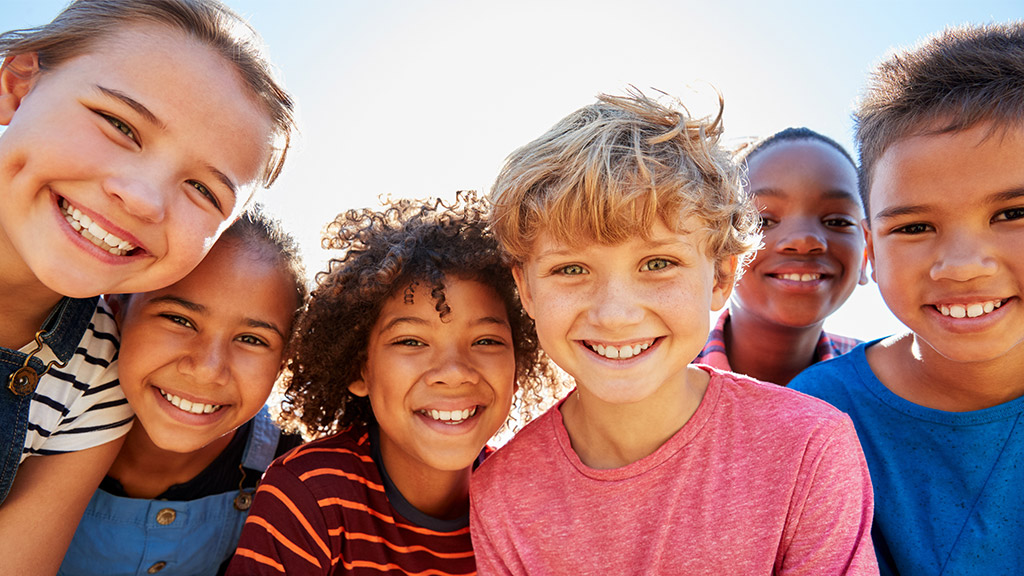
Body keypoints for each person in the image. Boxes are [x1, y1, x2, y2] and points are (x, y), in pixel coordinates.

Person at [470, 91, 878, 575]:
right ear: (527, 290)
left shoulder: (811, 446)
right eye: (571, 269)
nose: (615, 314)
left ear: (721, 277)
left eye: (658, 263)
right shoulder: (501, 492)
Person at [0, 0, 294, 571]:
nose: (142, 197)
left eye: (205, 190)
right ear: (18, 83)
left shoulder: (96, 381)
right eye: (119, 124)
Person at [789, 22, 1024, 575]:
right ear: (870, 249)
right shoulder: (818, 418)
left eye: (1013, 214)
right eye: (915, 227)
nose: (963, 265)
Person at [227, 192, 553, 575]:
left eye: (486, 342)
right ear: (358, 369)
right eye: (411, 342)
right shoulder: (311, 495)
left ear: (518, 364)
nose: (453, 371)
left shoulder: (533, 505)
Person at [58, 206, 306, 575]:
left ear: (285, 360)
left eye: (252, 339)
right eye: (179, 319)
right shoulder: (40, 416)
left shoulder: (294, 472)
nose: (207, 369)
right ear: (116, 308)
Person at [695, 127, 868, 385]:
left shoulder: (888, 385)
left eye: (837, 221)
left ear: (867, 255)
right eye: (763, 220)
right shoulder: (658, 379)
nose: (804, 240)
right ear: (720, 252)